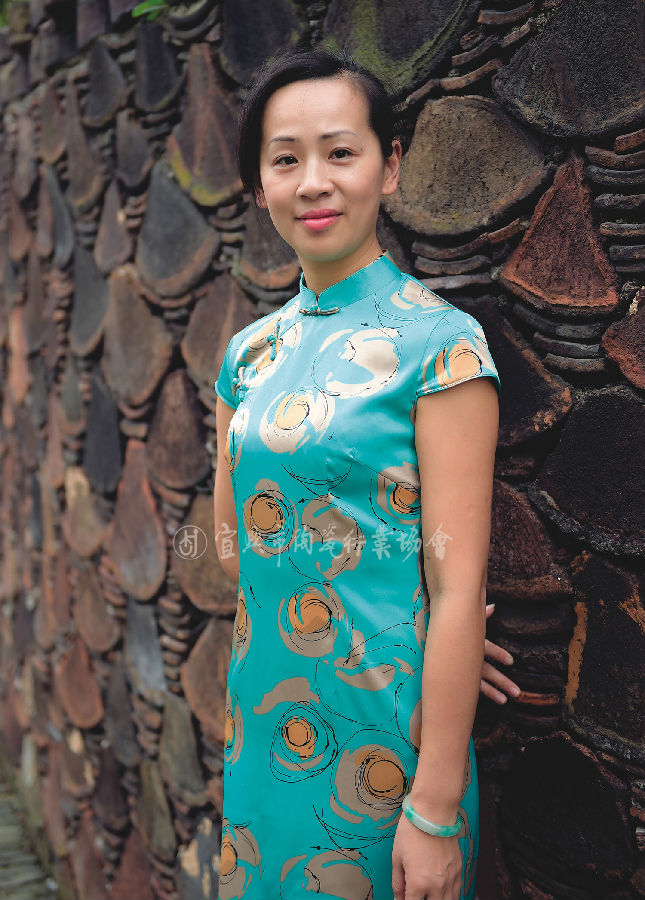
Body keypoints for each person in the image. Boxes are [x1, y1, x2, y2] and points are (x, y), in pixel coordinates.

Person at [213, 46, 518, 900]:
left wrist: (434, 807)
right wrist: (407, 626)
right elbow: (233, 552)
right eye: (285, 160)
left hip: (389, 743)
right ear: (260, 184)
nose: (313, 182)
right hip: (260, 729)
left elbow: (457, 584)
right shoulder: (247, 356)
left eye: (340, 152)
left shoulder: (439, 345)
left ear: (388, 168)